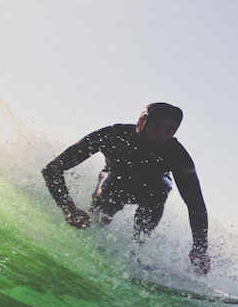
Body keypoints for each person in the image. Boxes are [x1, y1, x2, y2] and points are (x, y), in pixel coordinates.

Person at [42, 102, 210, 275]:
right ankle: (90, 236)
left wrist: (200, 248)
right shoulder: (114, 135)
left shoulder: (177, 155)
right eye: (158, 126)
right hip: (115, 181)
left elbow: (195, 204)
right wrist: (68, 207)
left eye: (171, 130)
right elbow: (52, 169)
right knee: (106, 200)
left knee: (159, 190)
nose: (163, 134)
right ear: (142, 120)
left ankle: (135, 250)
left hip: (151, 187)